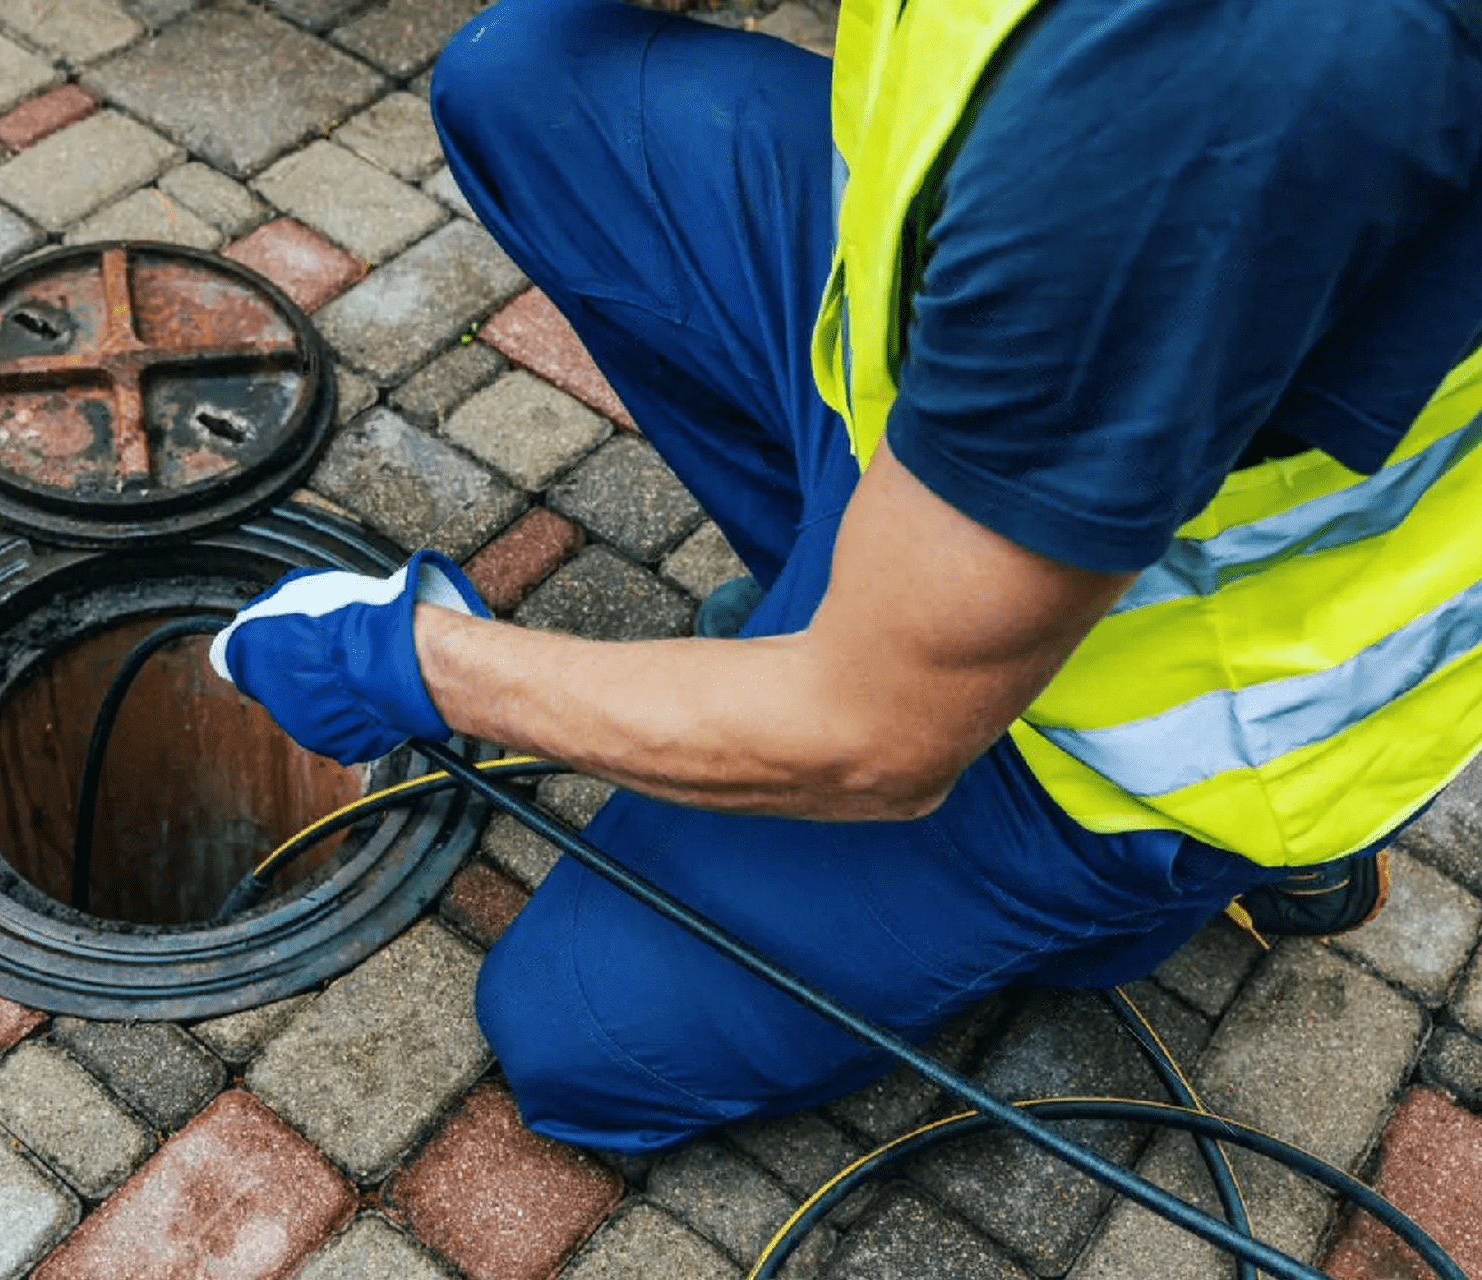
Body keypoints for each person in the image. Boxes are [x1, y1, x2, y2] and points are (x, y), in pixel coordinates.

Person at [210, 0, 1482, 1154]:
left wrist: (418, 660)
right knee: (530, 80)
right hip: (972, 369)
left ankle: (1143, 903)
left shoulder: (1207, 89)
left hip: (1137, 717)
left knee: (584, 1034)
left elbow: (875, 736)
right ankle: (864, 605)